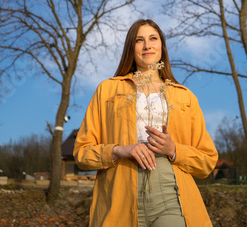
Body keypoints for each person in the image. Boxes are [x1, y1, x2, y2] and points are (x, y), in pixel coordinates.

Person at [73, 19, 218, 227]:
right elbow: (81, 153)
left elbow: (208, 161)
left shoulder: (185, 97)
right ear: (131, 49)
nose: (147, 45)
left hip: (169, 191)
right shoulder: (106, 91)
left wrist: (173, 149)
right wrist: (119, 150)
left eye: (153, 38)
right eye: (139, 40)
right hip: (119, 193)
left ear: (162, 47)